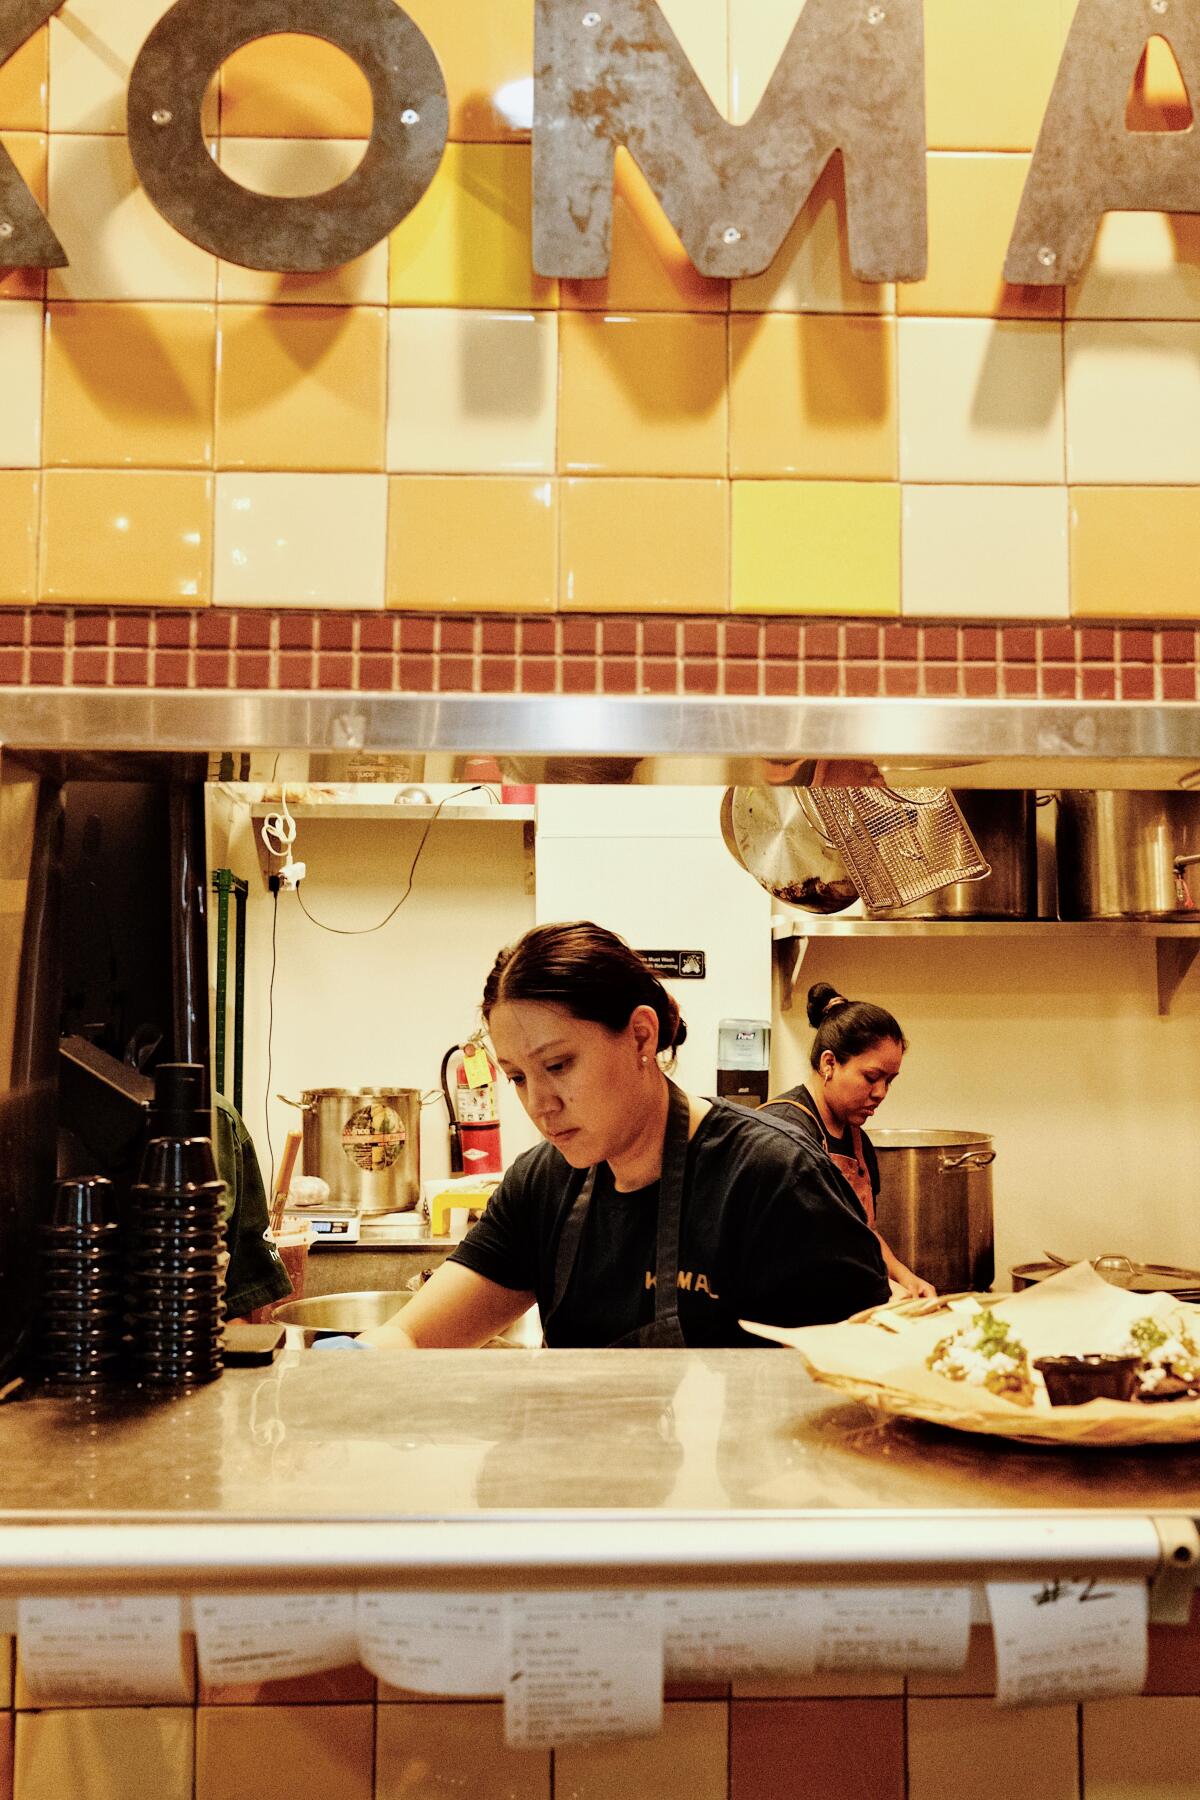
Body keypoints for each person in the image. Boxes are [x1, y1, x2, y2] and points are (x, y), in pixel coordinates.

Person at [363, 923, 889, 1349]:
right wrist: (360, 1360)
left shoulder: (774, 1179)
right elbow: (412, 1335)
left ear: (641, 1034)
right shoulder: (541, 1184)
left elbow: (865, 1383)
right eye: (519, 1077)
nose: (539, 1105)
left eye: (559, 1065)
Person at [759, 983, 934, 1300]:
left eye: (889, 1081)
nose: (880, 1093)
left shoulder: (857, 1140)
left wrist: (905, 1278)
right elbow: (800, 1246)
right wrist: (880, 1290)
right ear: (829, 1064)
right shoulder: (786, 1133)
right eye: (871, 1077)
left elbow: (862, 1231)